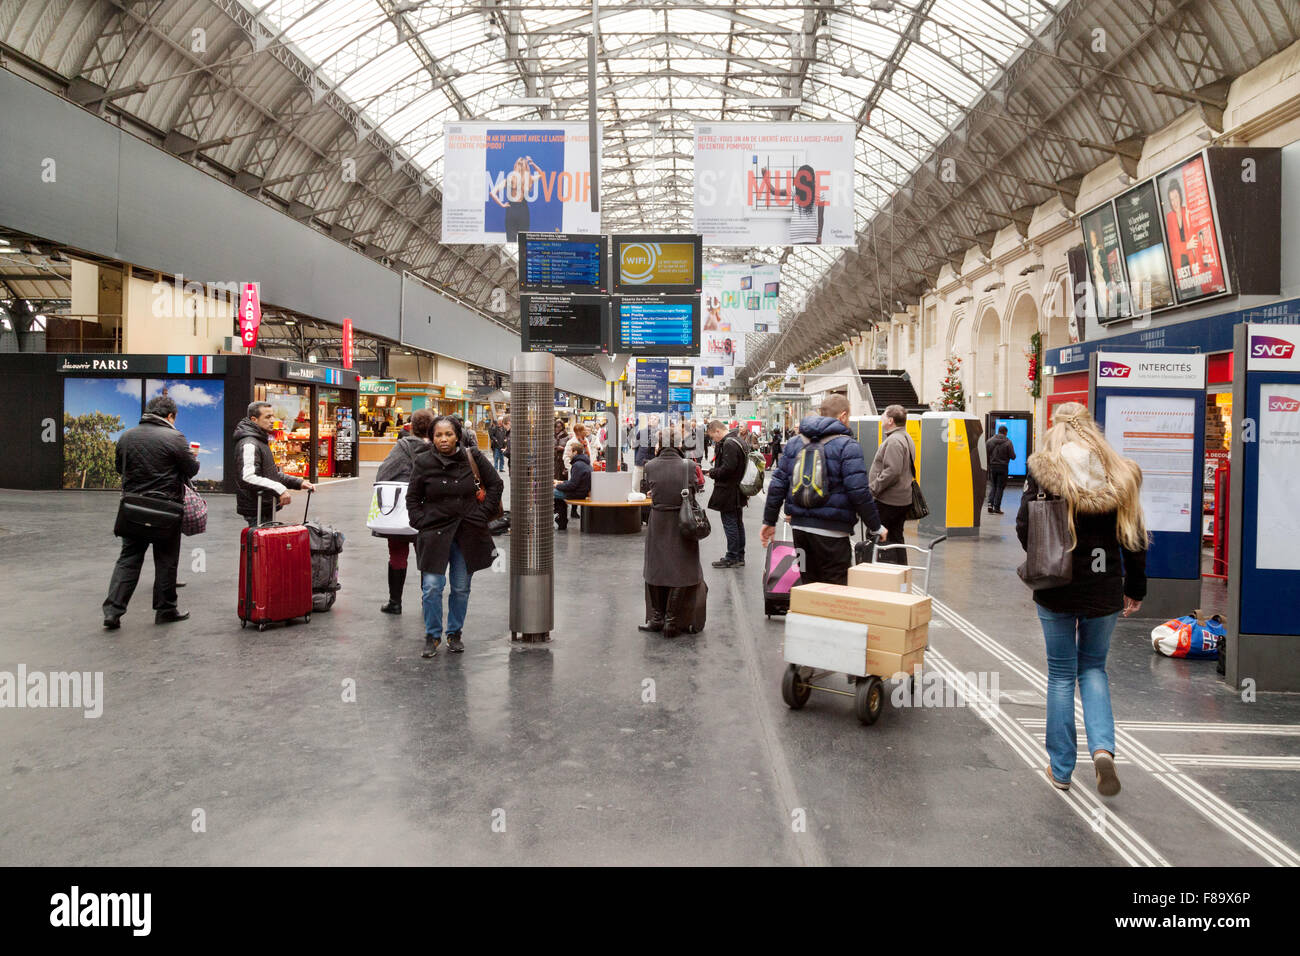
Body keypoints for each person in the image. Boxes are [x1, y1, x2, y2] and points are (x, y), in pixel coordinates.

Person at [1017, 402, 1147, 797]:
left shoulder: (1044, 473)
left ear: (1056, 430)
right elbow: (1135, 539)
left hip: (1057, 585)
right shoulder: (1120, 473)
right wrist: (1135, 588)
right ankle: (1103, 751)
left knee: (1060, 675)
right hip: (1104, 586)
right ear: (1092, 429)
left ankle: (1060, 769)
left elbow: (1025, 527)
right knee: (1093, 669)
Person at [761, 394, 886, 585]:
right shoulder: (847, 445)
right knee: (833, 591)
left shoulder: (795, 443)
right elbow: (858, 490)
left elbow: (778, 483)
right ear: (843, 416)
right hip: (833, 532)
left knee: (808, 585)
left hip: (800, 529)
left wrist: (769, 521)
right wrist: (875, 526)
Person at [406, 416, 503, 657]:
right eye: (438, 435)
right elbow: (412, 497)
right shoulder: (423, 461)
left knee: (460, 587)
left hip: (466, 533)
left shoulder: (473, 457)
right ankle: (432, 635)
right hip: (434, 533)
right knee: (431, 586)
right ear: (432, 437)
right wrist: (419, 521)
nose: (443, 439)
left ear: (457, 435)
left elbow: (495, 485)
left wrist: (480, 514)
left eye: (448, 434)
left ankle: (454, 633)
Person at [102, 395, 200, 628]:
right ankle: (165, 610)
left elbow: (119, 467)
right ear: (170, 416)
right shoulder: (175, 437)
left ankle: (112, 612)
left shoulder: (127, 436)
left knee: (128, 559)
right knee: (166, 560)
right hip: (165, 510)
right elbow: (191, 469)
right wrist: (193, 457)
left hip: (133, 508)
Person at [639, 429, 704, 637]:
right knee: (682, 568)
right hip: (683, 522)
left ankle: (656, 618)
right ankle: (672, 620)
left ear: (659, 445)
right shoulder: (689, 466)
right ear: (680, 444)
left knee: (655, 568)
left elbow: (647, 489)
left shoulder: (649, 466)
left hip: (658, 521)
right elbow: (694, 491)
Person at [375, 408, 435, 615]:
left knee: (397, 553)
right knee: (425, 557)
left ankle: (395, 602)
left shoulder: (402, 447)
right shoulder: (437, 448)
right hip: (427, 511)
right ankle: (427, 603)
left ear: (411, 426)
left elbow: (383, 473)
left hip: (400, 510)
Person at [233, 401, 315, 527]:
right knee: (261, 544)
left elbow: (270, 474)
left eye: (273, 416)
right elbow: (247, 477)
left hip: (265, 506)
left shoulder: (260, 439)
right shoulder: (249, 443)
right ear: (254, 419)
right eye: (267, 417)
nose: (272, 420)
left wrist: (298, 482)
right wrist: (280, 489)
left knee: (266, 544)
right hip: (257, 507)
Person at [868, 405, 916, 565]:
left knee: (878, 535)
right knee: (896, 537)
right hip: (902, 498)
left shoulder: (894, 441)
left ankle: (877, 571)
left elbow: (892, 471)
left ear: (890, 420)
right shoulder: (906, 437)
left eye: (883, 415)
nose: (881, 418)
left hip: (889, 500)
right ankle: (901, 570)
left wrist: (873, 488)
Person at [705, 419, 749, 568]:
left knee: (730, 523)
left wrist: (712, 473)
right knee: (737, 523)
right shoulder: (739, 441)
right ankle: (739, 555)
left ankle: (732, 556)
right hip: (739, 491)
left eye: (712, 436)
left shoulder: (729, 444)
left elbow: (728, 469)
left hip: (729, 491)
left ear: (718, 431)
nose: (713, 440)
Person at [554, 441, 593, 532]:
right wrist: (560, 483)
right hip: (581, 491)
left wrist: (557, 486)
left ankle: (560, 520)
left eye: (569, 451)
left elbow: (572, 485)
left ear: (575, 452)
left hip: (577, 493)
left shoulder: (577, 465)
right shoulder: (584, 463)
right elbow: (574, 482)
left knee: (551, 493)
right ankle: (561, 520)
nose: (567, 452)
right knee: (557, 496)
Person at [985, 424, 1017, 515]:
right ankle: (997, 507)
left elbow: (986, 454)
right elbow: (1013, 456)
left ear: (998, 431)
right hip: (1003, 467)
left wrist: (989, 464)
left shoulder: (989, 441)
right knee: (1000, 487)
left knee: (993, 486)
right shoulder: (1008, 442)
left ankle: (990, 504)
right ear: (1005, 432)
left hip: (993, 467)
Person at [632, 413, 660, 491]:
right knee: (636, 484)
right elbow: (634, 446)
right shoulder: (641, 432)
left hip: (653, 463)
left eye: (655, 419)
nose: (653, 420)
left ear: (658, 422)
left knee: (652, 485)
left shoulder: (660, 433)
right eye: (651, 418)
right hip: (640, 461)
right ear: (648, 421)